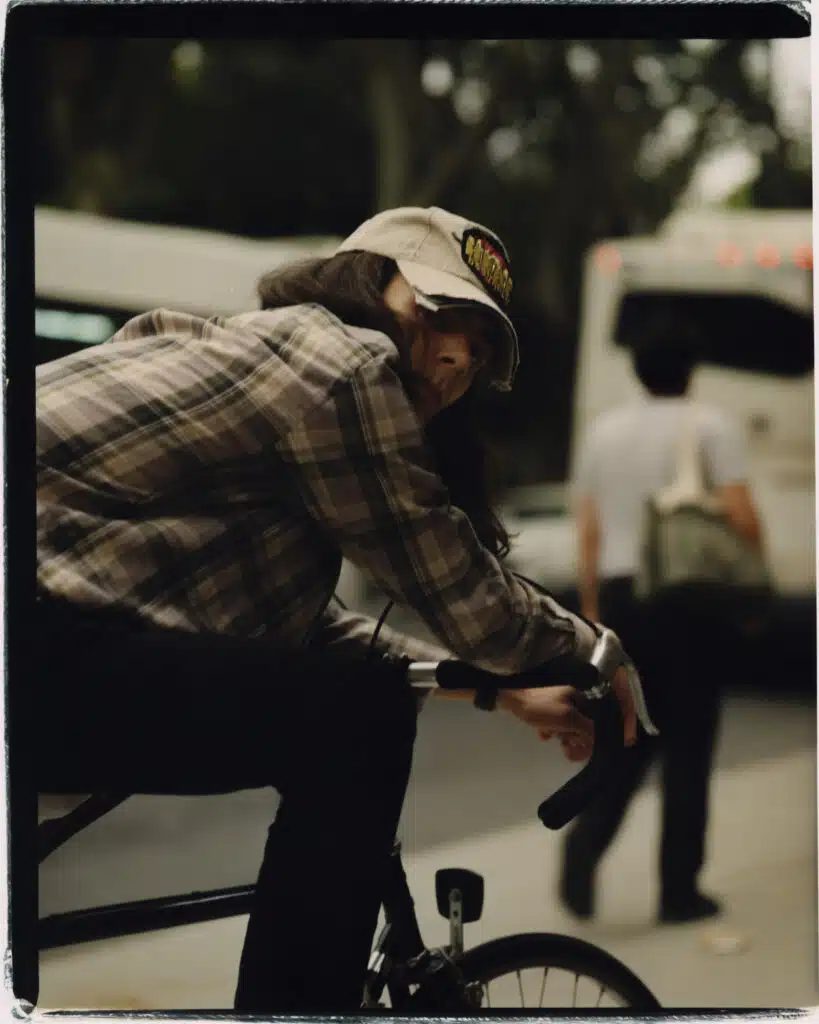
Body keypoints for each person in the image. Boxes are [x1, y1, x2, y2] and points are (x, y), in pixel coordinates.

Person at [34, 205, 637, 1012]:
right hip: (39, 638)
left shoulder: (248, 357)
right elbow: (458, 590)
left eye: (481, 348)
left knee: (349, 695)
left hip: (47, 635)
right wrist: (594, 650)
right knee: (363, 722)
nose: (458, 357)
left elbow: (297, 630)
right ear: (365, 281)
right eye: (438, 314)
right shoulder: (341, 364)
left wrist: (498, 690)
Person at [560, 322, 764, 925]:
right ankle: (679, 891)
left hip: (623, 599)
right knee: (690, 747)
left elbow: (589, 530)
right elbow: (741, 516)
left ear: (638, 373)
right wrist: (752, 583)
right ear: (690, 373)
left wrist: (593, 612)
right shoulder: (709, 426)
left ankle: (583, 846)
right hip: (686, 597)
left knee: (628, 736)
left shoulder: (603, 433)